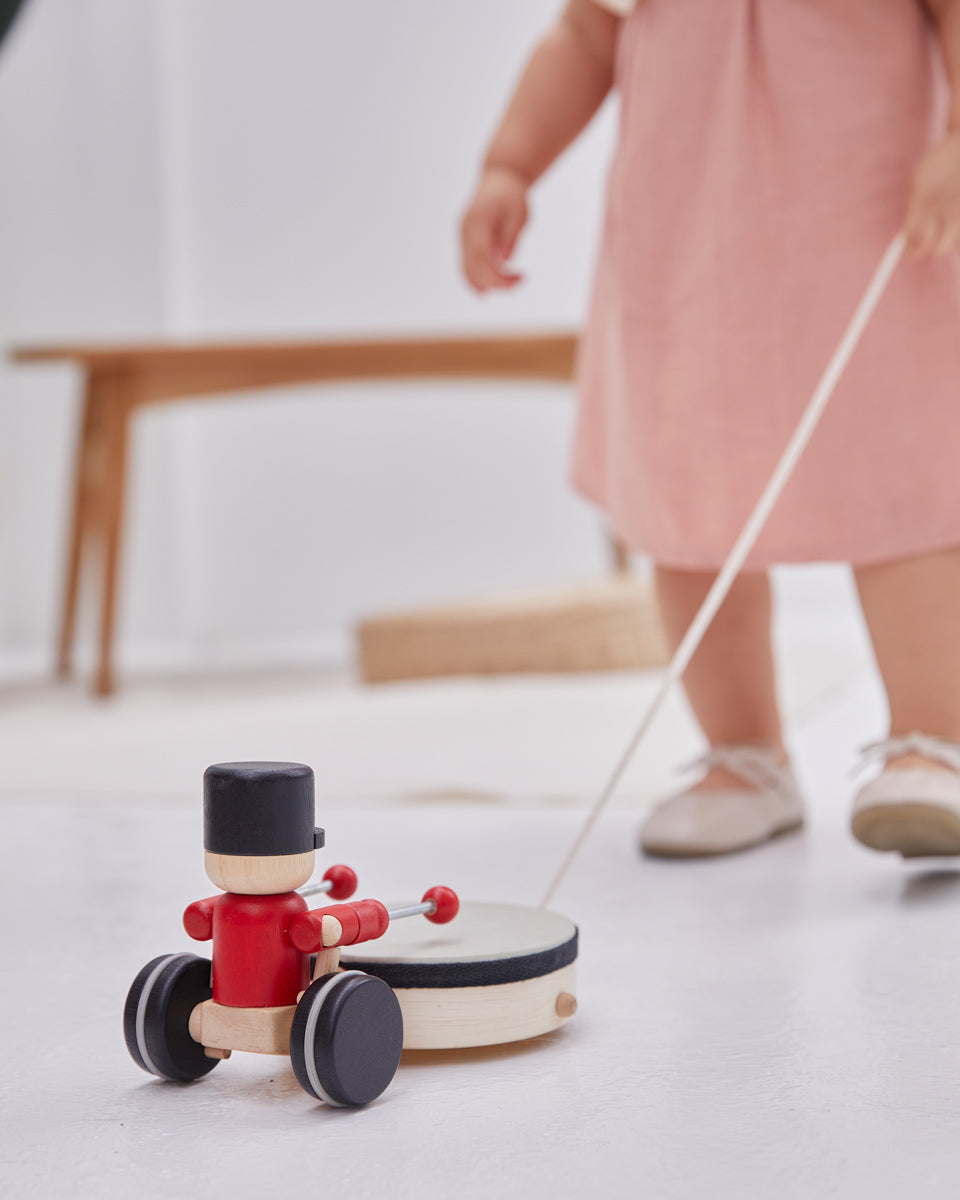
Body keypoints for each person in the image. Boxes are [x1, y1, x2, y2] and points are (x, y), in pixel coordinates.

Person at [460, 0, 960, 859]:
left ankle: (933, 741)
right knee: (688, 492)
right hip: (683, 250)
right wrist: (510, 164)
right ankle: (744, 751)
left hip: (871, 227)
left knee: (900, 477)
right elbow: (588, 32)